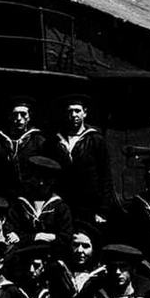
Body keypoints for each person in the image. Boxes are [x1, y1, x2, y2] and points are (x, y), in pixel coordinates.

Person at [45, 93, 114, 225]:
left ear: (85, 113)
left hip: (89, 204)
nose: (74, 115)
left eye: (77, 111)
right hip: (63, 202)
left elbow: (105, 175)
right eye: (70, 111)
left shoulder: (95, 139)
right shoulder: (55, 141)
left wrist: (103, 210)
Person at [5, 156, 73, 248]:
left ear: (53, 181)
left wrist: (26, 237)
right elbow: (11, 232)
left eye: (46, 180)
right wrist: (37, 236)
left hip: (52, 253)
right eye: (37, 178)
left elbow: (66, 237)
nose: (41, 183)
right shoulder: (19, 206)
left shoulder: (60, 207)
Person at [0, 95, 44, 199]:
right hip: (4, 195)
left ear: (29, 117)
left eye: (23, 114)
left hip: (30, 195)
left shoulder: (38, 141)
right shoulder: (0, 141)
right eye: (15, 115)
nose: (19, 118)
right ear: (10, 117)